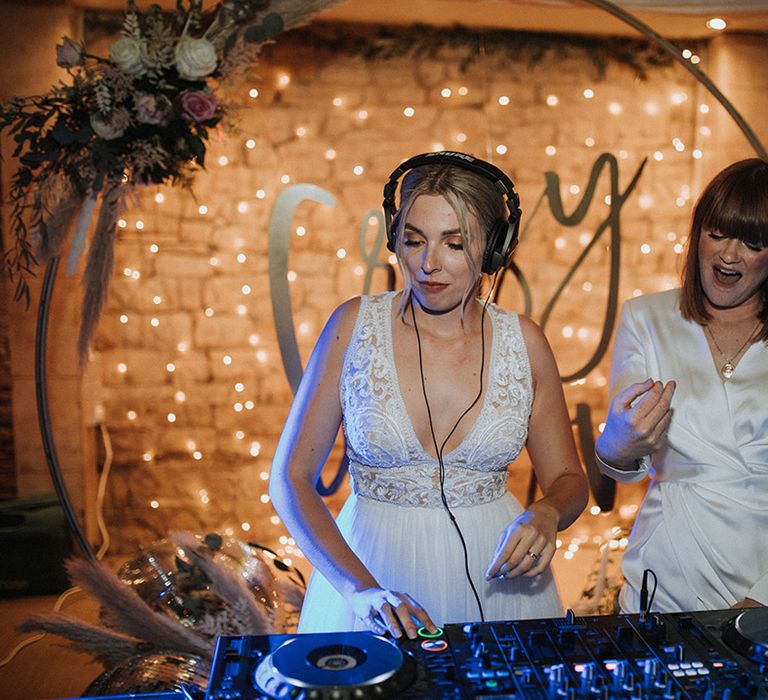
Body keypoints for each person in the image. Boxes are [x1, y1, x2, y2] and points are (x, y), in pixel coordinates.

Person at [269, 151, 588, 639]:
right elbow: (291, 479)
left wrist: (547, 512)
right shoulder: (352, 326)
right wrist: (359, 590)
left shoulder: (525, 342)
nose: (427, 264)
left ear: (494, 249)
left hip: (499, 584)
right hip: (371, 576)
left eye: (454, 243)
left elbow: (569, 479)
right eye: (413, 241)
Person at [596, 157, 768, 614]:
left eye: (752, 243)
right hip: (666, 568)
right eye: (717, 234)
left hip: (760, 574)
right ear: (697, 236)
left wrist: (764, 597)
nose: (729, 255)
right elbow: (623, 463)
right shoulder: (646, 318)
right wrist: (616, 444)